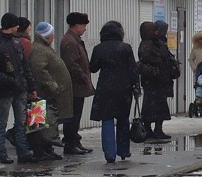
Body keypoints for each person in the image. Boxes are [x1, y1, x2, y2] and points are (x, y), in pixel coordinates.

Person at [0, 12, 37, 164]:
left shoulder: (16, 42)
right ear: (10, 26)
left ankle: (23, 152)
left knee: (21, 122)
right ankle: (1, 154)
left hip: (19, 89)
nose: (18, 27)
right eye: (16, 24)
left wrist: (31, 85)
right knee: (2, 121)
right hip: (5, 90)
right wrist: (12, 81)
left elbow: (24, 66)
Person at [89, 20, 140, 163]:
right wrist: (136, 86)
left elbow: (92, 68)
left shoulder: (99, 48)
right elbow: (132, 69)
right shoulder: (126, 48)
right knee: (123, 119)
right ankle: (123, 150)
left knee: (107, 120)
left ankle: (110, 154)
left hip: (105, 87)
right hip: (124, 88)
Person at [27, 21, 73, 161]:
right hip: (43, 93)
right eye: (52, 34)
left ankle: (47, 149)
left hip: (47, 93)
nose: (53, 36)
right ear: (47, 36)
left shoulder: (43, 48)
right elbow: (39, 71)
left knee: (47, 122)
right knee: (39, 123)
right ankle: (40, 150)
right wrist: (53, 86)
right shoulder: (40, 50)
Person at [60, 12, 95, 155]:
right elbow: (72, 64)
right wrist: (84, 78)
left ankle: (74, 140)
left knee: (76, 115)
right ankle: (70, 143)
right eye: (84, 25)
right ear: (77, 25)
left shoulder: (74, 40)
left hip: (77, 86)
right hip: (75, 86)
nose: (85, 29)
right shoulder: (71, 41)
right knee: (73, 116)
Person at [138, 21, 179, 141]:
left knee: (151, 106)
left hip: (153, 81)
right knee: (156, 106)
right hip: (156, 80)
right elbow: (157, 59)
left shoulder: (149, 43)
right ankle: (155, 129)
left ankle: (152, 129)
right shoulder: (152, 44)